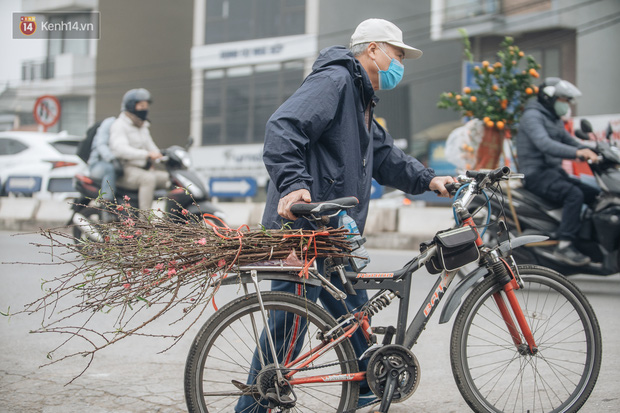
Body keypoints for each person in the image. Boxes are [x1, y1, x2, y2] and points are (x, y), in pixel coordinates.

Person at [236, 18, 454, 412]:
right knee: (291, 320)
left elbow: (385, 155)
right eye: (397, 54)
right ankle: (251, 407)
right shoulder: (335, 81)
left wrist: (430, 179)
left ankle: (368, 384)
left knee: (356, 309)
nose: (399, 63)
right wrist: (293, 185)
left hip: (335, 232)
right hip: (305, 226)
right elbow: (283, 128)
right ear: (373, 49)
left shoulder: (361, 97)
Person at [516, 77, 600, 266]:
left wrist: (596, 149)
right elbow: (545, 144)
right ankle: (564, 245)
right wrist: (577, 153)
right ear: (549, 98)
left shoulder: (553, 119)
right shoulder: (532, 117)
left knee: (595, 194)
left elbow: (570, 141)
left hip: (553, 173)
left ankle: (588, 241)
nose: (566, 105)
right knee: (574, 194)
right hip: (536, 174)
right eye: (563, 100)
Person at [109, 88, 169, 211]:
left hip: (144, 169)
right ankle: (144, 221)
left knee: (170, 178)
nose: (145, 109)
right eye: (141, 106)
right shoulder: (120, 125)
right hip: (126, 171)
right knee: (148, 179)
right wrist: (146, 155)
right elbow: (120, 149)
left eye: (146, 106)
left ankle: (172, 218)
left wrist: (164, 158)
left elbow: (152, 148)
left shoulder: (143, 126)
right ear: (131, 106)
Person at [87, 116, 120, 222]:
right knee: (109, 169)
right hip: (97, 164)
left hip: (118, 166)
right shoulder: (110, 123)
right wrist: (112, 159)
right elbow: (101, 145)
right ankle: (107, 208)